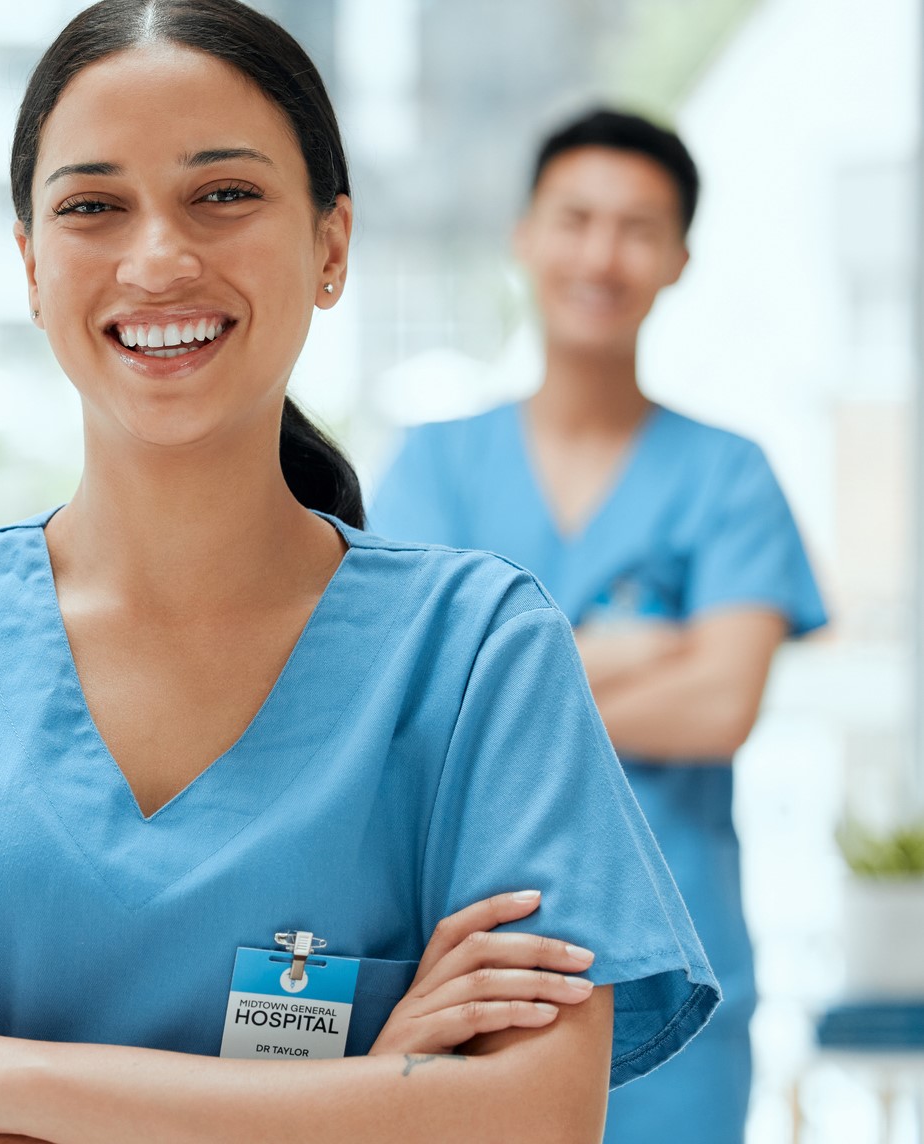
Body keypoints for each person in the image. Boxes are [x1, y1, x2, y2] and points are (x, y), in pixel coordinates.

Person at [0, 3, 718, 1141]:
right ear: (28, 264)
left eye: (223, 194)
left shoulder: (476, 655)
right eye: (92, 206)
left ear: (331, 246)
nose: (157, 258)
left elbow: (536, 1119)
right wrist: (361, 1100)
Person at [368, 109, 826, 1143]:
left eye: (637, 227)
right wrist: (637, 652)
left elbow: (718, 707)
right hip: (465, 975)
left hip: (678, 977)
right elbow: (407, 709)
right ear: (525, 234)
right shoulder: (434, 465)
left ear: (678, 258)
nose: (600, 255)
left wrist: (513, 680)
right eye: (575, 218)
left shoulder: (729, 476)